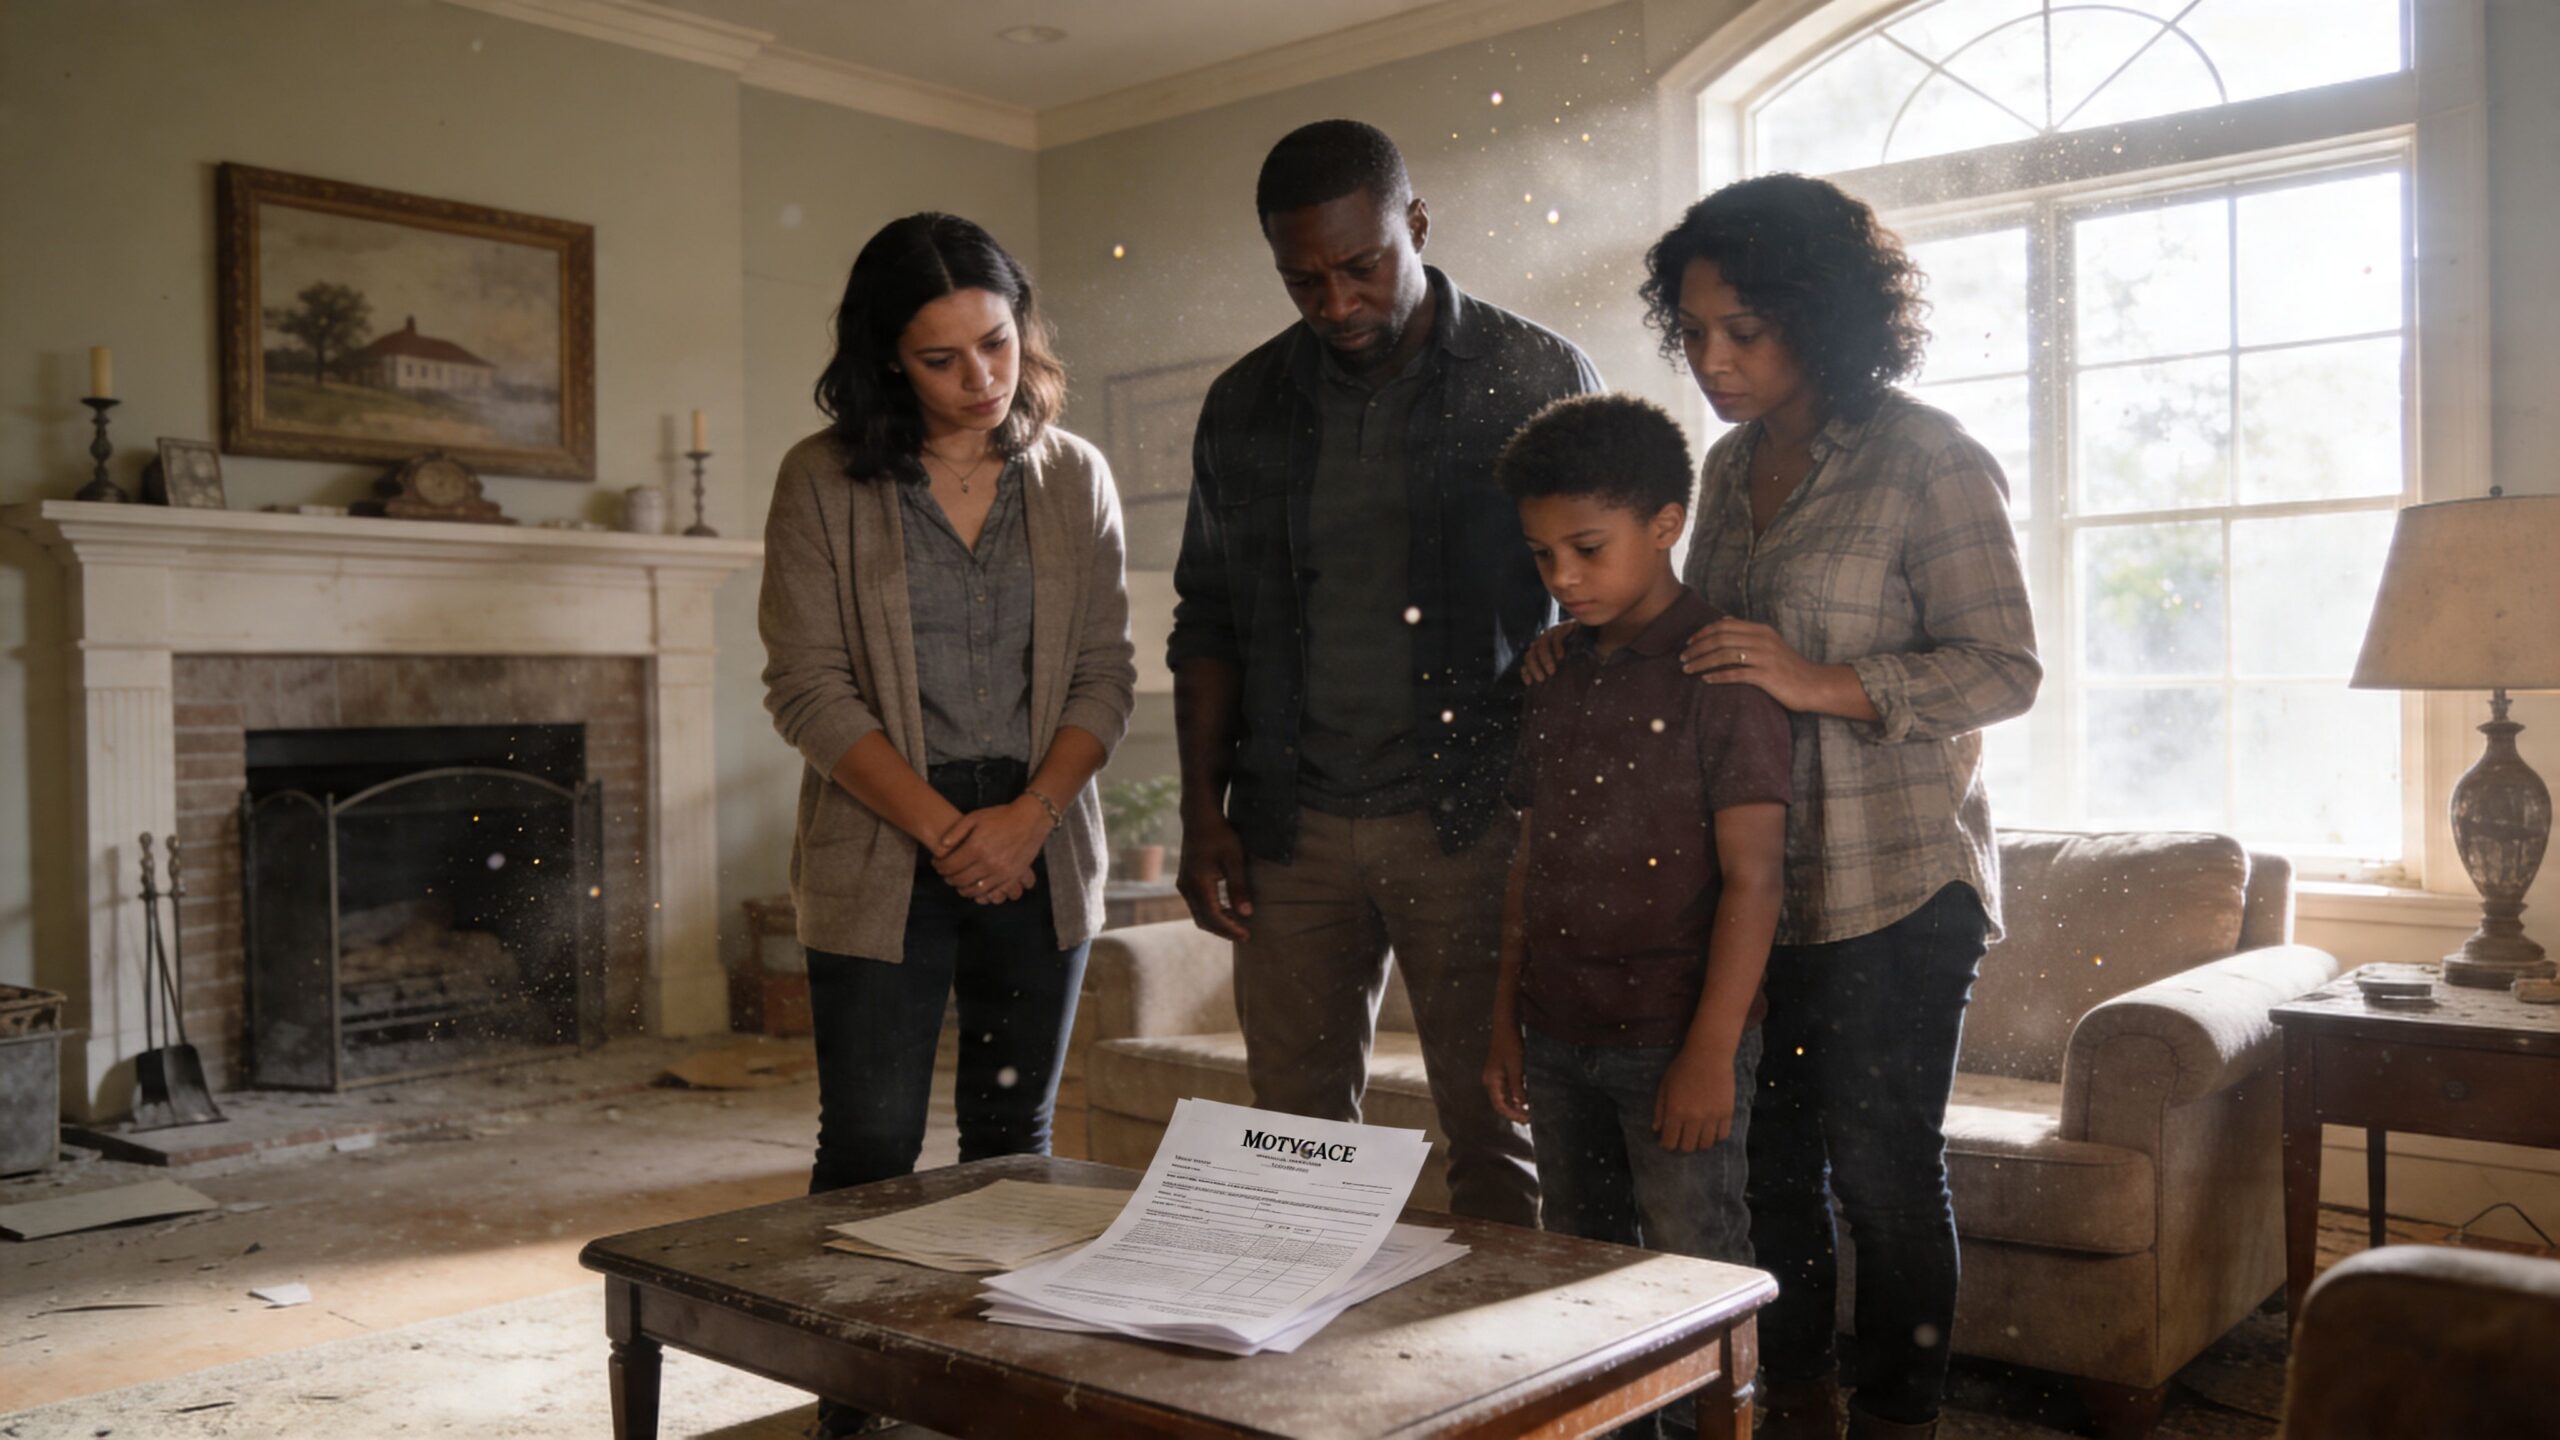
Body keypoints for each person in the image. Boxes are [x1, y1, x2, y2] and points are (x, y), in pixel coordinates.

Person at [1527, 175, 2040, 1439]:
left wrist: (1822, 681)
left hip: (1891, 887)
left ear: (1826, 319)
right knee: (1771, 1176)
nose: (1712, 361)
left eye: (1742, 333)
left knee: (1879, 1179)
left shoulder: (1931, 461)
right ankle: (1792, 1407)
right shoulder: (1721, 464)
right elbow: (1689, 644)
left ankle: (1900, 1421)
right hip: (1753, 893)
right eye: (1693, 332)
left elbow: (2005, 669)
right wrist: (1568, 641)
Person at [1166, 119, 1600, 1226]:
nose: (1336, 303)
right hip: (1289, 825)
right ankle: (1315, 1383)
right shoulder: (1245, 403)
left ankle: (1501, 1390)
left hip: (1473, 813)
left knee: (1496, 1131)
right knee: (1293, 1142)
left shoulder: (1536, 375)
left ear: (1414, 224)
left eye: (1361, 266)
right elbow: (1204, 618)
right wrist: (1199, 811)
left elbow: (1607, 602)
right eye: (1301, 280)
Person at [759, 212, 1136, 1437]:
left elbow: (1103, 679)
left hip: (1040, 835)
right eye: (942, 360)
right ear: (883, 363)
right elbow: (808, 688)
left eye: (999, 343)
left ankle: (989, 1404)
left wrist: (1025, 819)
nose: (984, 380)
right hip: (882, 838)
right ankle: (854, 1411)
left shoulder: (1074, 474)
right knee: (868, 1142)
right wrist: (947, 831)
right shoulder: (820, 480)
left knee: (1009, 1143)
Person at [1480, 393, 1792, 1439]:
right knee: (1580, 1272)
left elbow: (1755, 879)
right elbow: (1532, 859)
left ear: (1665, 525)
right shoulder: (1556, 672)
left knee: (1694, 1272)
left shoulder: (1724, 671)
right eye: (1540, 557)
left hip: (1675, 1039)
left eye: (1585, 550)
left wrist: (1710, 1053)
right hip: (1559, 1032)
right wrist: (1505, 1021)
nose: (1561, 581)